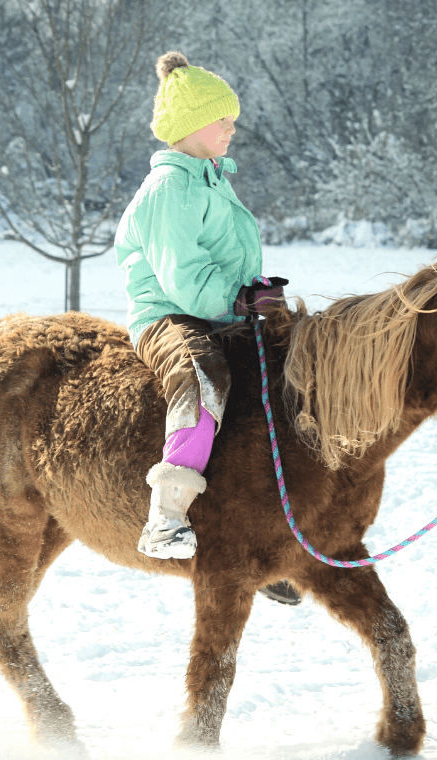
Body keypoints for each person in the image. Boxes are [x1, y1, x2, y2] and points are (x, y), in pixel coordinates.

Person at [114, 51, 288, 566]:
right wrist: (236, 299)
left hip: (214, 310)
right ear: (192, 125)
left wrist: (254, 289)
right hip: (167, 314)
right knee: (202, 375)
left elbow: (227, 253)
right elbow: (182, 276)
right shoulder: (170, 189)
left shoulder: (208, 178)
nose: (233, 129)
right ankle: (166, 516)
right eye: (224, 120)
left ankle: (266, 524)